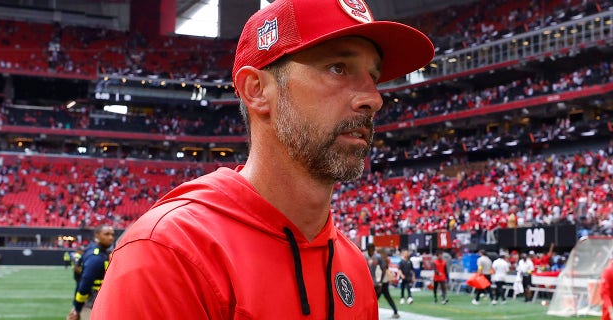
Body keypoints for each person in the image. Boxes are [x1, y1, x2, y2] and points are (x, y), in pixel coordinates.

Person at [90, 0, 434, 319]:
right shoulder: (170, 253)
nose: (373, 99)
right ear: (256, 90)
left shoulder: (353, 266)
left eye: (373, 77)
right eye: (338, 68)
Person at [66, 225, 115, 320]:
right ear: (96, 235)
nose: (110, 237)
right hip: (90, 304)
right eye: (106, 234)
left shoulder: (96, 250)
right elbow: (85, 283)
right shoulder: (96, 257)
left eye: (112, 235)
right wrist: (77, 308)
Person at [376, 248, 400, 319]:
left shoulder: (382, 260)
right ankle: (395, 312)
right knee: (387, 298)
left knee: (375, 299)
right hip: (384, 281)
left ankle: (395, 312)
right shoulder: (385, 260)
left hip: (381, 282)